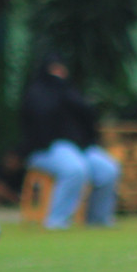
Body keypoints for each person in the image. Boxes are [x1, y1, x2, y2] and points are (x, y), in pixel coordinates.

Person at [18, 53, 120, 229]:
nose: (58, 74)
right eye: (54, 69)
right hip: (46, 149)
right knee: (75, 169)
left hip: (80, 147)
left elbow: (88, 118)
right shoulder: (36, 93)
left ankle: (98, 220)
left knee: (109, 169)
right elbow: (38, 122)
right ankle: (57, 221)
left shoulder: (71, 91)